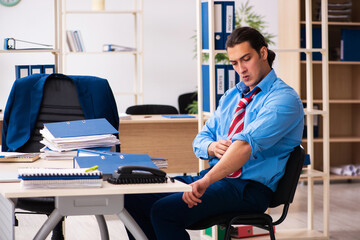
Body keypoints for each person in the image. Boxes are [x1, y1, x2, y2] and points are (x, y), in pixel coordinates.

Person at [124, 26, 304, 240]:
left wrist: (206, 181)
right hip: (217, 180)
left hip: (249, 188)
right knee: (131, 198)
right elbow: (200, 140)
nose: (241, 69)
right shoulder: (232, 96)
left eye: (246, 59)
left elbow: (244, 146)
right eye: (235, 63)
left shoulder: (283, 99)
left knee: (164, 211)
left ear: (263, 53)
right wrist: (210, 147)